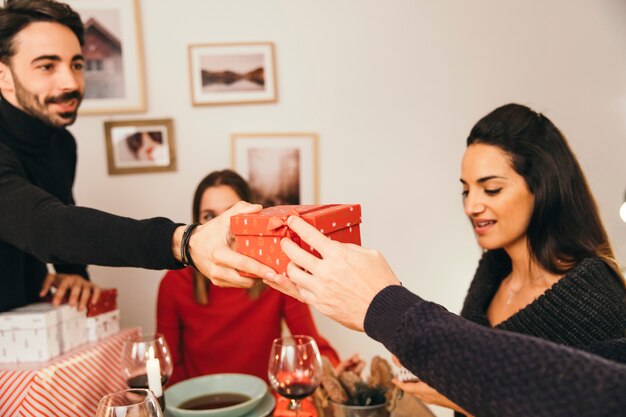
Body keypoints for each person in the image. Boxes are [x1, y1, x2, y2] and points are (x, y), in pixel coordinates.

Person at [0, 0, 276, 313]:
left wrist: (74, 275)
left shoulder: (61, 144)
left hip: (25, 327)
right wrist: (183, 241)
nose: (70, 82)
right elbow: (41, 223)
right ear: (3, 75)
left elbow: (61, 214)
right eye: (47, 66)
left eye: (77, 64)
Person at [271, 216, 626, 417]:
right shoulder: (491, 270)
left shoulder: (594, 291)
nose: (473, 205)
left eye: (491, 187)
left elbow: (584, 396)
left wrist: (383, 304)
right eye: (465, 189)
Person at [157, 170, 362, 384]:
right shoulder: (174, 283)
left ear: (251, 219)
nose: (220, 229)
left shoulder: (275, 274)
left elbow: (310, 343)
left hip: (266, 404)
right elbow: (169, 365)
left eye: (230, 215)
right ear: (197, 225)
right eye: (209, 216)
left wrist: (335, 371)